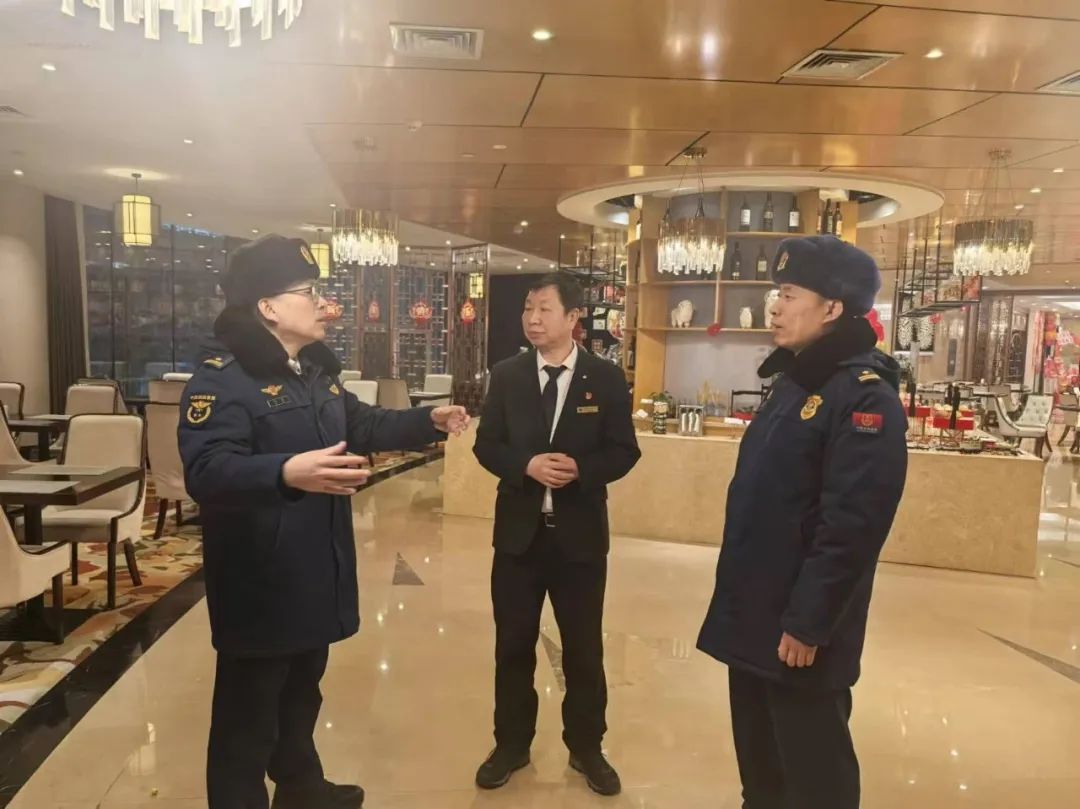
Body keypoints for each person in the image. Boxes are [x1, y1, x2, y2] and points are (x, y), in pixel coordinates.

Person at [179, 235, 469, 809]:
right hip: (260, 578)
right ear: (268, 307)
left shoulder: (314, 371)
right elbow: (207, 471)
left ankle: (301, 788)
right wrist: (286, 471)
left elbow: (362, 425)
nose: (322, 304)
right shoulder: (223, 380)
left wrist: (427, 420)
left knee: (301, 693)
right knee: (246, 720)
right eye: (308, 292)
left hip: (316, 564)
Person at [697, 236, 908, 809]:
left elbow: (852, 527)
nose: (774, 306)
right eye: (777, 294)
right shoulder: (797, 381)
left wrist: (810, 623)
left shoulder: (864, 398)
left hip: (799, 631)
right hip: (755, 615)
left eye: (789, 294)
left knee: (815, 777)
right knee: (762, 772)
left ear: (833, 307)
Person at [472, 273, 641, 796]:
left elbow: (625, 450)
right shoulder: (507, 375)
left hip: (580, 540)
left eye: (545, 309)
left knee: (584, 650)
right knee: (512, 646)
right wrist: (525, 465)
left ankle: (587, 747)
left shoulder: (605, 378)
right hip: (518, 539)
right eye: (528, 308)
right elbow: (486, 445)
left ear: (573, 318)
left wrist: (583, 470)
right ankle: (511, 744)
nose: (533, 318)